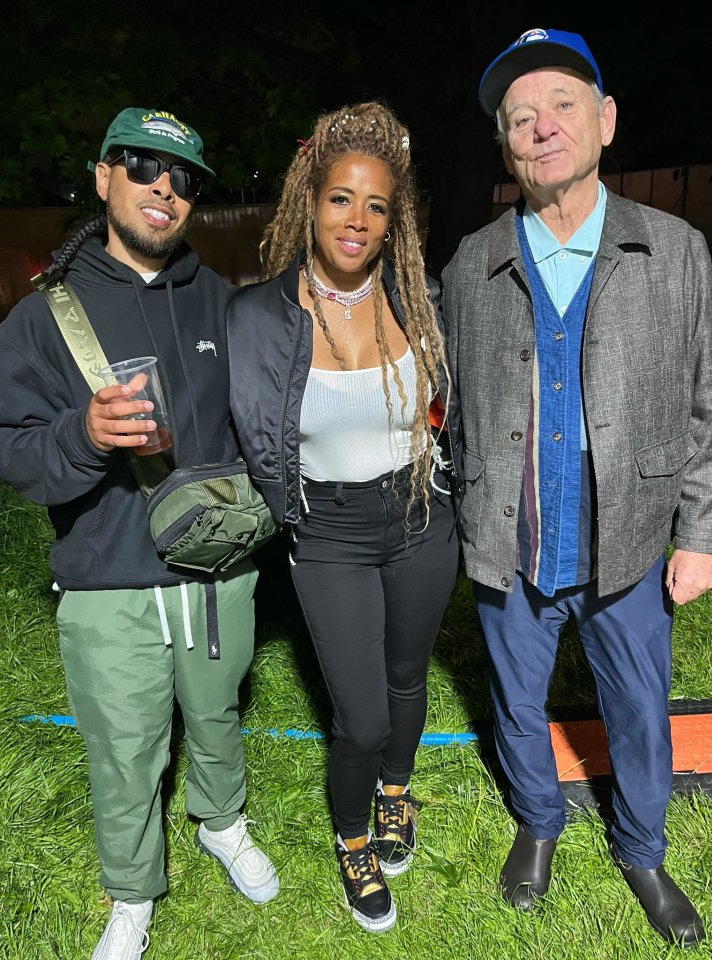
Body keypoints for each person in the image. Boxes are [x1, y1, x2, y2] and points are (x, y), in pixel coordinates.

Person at [442, 28, 712, 948]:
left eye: (562, 106)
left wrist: (703, 534)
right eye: (519, 118)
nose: (541, 127)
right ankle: (539, 822)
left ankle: (643, 847)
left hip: (636, 542)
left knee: (641, 706)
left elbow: (709, 403)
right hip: (512, 539)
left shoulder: (675, 248)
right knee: (516, 701)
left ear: (606, 122)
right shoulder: (469, 265)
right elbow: (449, 404)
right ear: (505, 146)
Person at [0, 107, 279, 960]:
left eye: (183, 176)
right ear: (102, 177)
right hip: (106, 580)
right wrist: (82, 436)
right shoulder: (46, 319)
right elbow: (5, 446)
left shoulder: (228, 304)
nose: (164, 186)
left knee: (219, 714)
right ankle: (131, 891)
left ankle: (222, 824)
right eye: (143, 165)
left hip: (218, 570)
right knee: (125, 751)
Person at [227, 101, 461, 934]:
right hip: (325, 534)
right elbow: (238, 430)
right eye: (340, 199)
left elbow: (454, 406)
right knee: (358, 715)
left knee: (408, 680)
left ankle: (397, 794)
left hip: (420, 517)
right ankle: (354, 833)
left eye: (377, 205)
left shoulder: (422, 299)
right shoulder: (257, 318)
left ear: (392, 220)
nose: (357, 220)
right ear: (309, 201)